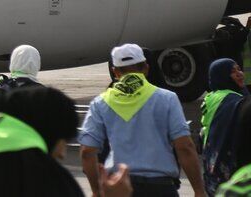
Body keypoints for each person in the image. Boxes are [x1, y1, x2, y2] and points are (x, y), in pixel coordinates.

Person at [79, 43, 205, 197]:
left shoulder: (100, 103)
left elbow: (87, 152)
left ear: (115, 72)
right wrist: (199, 190)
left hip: (120, 187)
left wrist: (97, 191)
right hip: (161, 188)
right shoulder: (167, 99)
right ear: (146, 68)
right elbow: (185, 147)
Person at [205, 59, 248, 193]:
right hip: (229, 166)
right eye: (232, 72)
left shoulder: (212, 97)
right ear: (221, 76)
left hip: (211, 164)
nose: (239, 74)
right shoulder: (232, 100)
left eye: (239, 69)